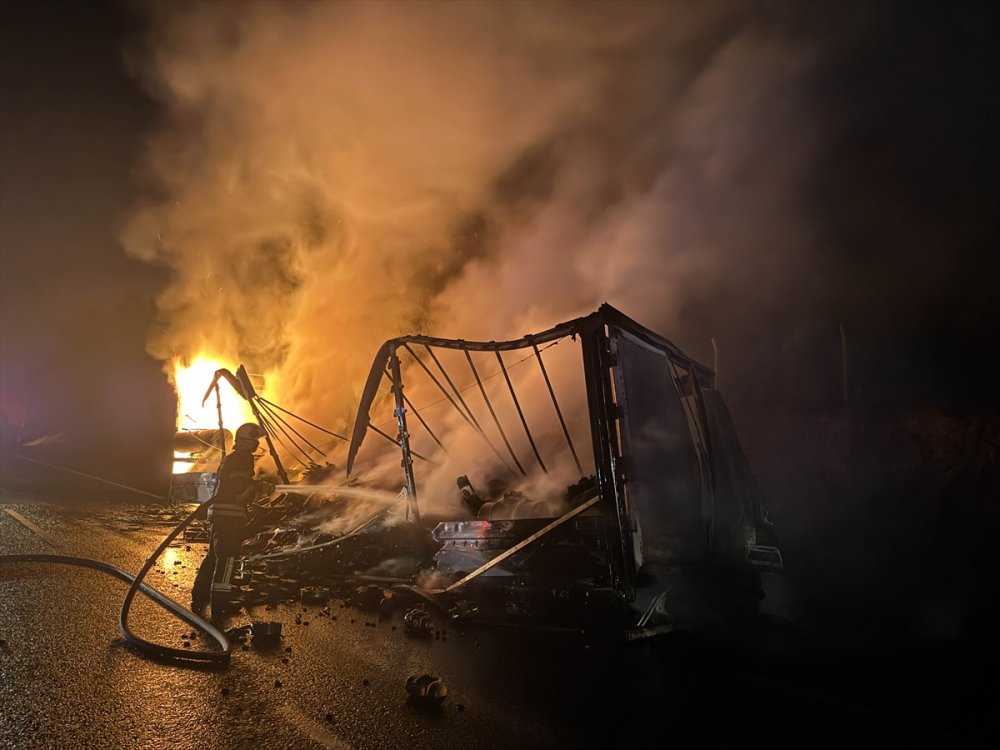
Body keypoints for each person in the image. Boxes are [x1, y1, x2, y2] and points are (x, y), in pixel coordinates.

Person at [192, 422, 273, 617]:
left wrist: (252, 485)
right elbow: (237, 486)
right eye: (255, 441)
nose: (256, 445)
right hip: (231, 516)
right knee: (227, 559)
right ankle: (221, 603)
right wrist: (258, 489)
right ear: (248, 442)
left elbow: (234, 483)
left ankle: (199, 594)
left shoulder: (232, 458)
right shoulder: (244, 458)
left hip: (220, 515)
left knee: (214, 557)